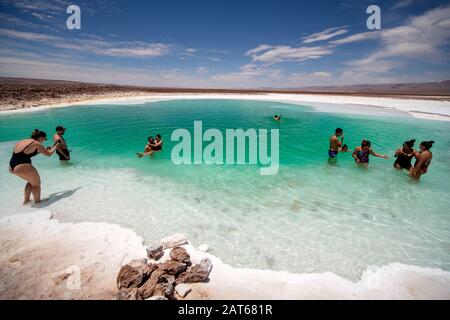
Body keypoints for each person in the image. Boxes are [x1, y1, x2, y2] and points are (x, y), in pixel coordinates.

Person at [9, 129, 60, 204]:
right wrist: (55, 147)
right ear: (41, 137)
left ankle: (26, 201)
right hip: (22, 166)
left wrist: (41, 151)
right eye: (44, 139)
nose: (44, 141)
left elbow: (25, 154)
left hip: (12, 166)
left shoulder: (24, 141)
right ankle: (37, 202)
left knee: (31, 182)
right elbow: (49, 154)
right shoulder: (36, 143)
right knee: (36, 184)